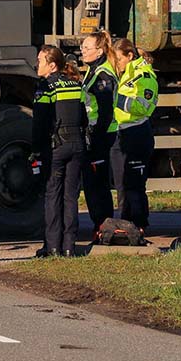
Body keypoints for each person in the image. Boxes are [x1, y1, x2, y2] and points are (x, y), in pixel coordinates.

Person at [33, 45, 87, 257]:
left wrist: (36, 151)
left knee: (52, 195)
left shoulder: (46, 87)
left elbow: (39, 123)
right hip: (77, 145)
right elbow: (83, 117)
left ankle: (52, 246)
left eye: (40, 60)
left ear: (52, 64)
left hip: (55, 147)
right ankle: (69, 247)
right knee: (70, 197)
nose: (37, 64)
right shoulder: (75, 85)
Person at [110, 38, 159, 233]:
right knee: (122, 185)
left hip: (137, 132)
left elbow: (142, 107)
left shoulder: (144, 76)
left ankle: (139, 226)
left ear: (130, 56)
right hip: (122, 132)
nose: (117, 63)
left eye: (119, 59)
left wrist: (116, 98)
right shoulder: (125, 75)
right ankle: (125, 224)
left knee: (134, 185)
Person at [79, 30, 118, 235]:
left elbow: (105, 111)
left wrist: (95, 135)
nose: (82, 52)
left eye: (87, 48)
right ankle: (100, 224)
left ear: (100, 51)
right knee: (92, 184)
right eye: (82, 48)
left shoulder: (103, 74)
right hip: (95, 133)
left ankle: (103, 226)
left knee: (98, 185)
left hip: (102, 135)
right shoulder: (92, 71)